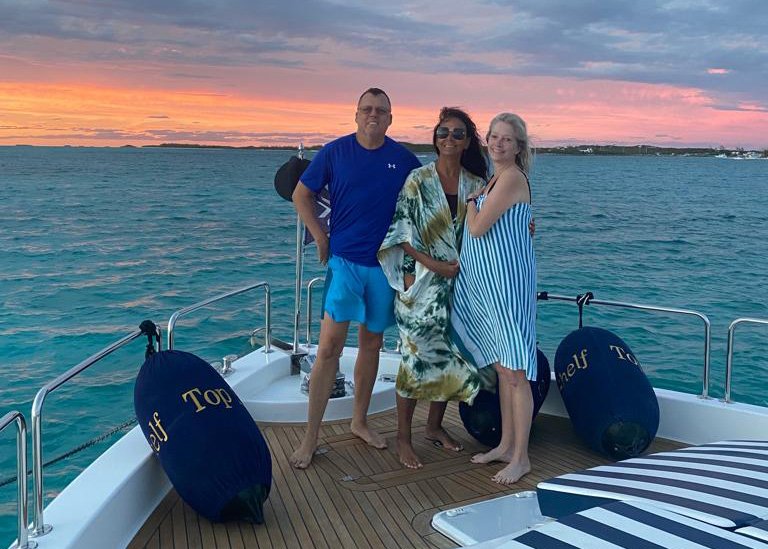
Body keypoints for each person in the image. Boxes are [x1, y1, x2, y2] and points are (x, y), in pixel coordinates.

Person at [289, 88, 421, 469]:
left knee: (372, 343)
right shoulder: (334, 152)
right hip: (344, 263)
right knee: (329, 347)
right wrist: (319, 235)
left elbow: (430, 200)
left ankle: (359, 421)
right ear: (356, 114)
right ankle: (310, 437)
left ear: (391, 118)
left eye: (381, 110)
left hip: (384, 266)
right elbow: (302, 195)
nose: (373, 115)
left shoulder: (403, 159)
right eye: (367, 109)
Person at [378, 107, 488, 469]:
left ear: (468, 140)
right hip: (422, 284)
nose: (450, 139)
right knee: (415, 359)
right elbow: (400, 232)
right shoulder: (417, 180)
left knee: (450, 354)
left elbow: (495, 224)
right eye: (443, 132)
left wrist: (525, 228)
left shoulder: (477, 183)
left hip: (462, 284)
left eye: (458, 133)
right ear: (435, 138)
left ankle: (434, 427)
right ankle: (404, 437)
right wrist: (427, 268)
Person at [451, 112, 537, 485]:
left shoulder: (512, 177)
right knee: (504, 369)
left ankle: (521, 457)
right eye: (493, 137)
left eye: (507, 138)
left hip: (507, 288)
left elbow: (477, 226)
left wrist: (471, 201)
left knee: (516, 372)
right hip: (494, 288)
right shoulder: (496, 178)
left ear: (518, 146)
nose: (498, 143)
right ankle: (505, 445)